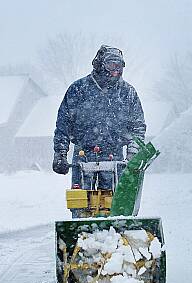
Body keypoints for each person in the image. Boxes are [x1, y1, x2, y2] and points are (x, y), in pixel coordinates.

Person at [52, 45, 146, 191]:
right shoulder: (78, 89)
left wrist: (133, 153)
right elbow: (63, 124)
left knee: (113, 205)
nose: (116, 70)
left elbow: (138, 127)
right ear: (100, 65)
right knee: (81, 202)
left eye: (120, 65)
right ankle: (81, 213)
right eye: (111, 65)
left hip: (114, 157)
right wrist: (60, 153)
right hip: (83, 156)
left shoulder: (127, 93)